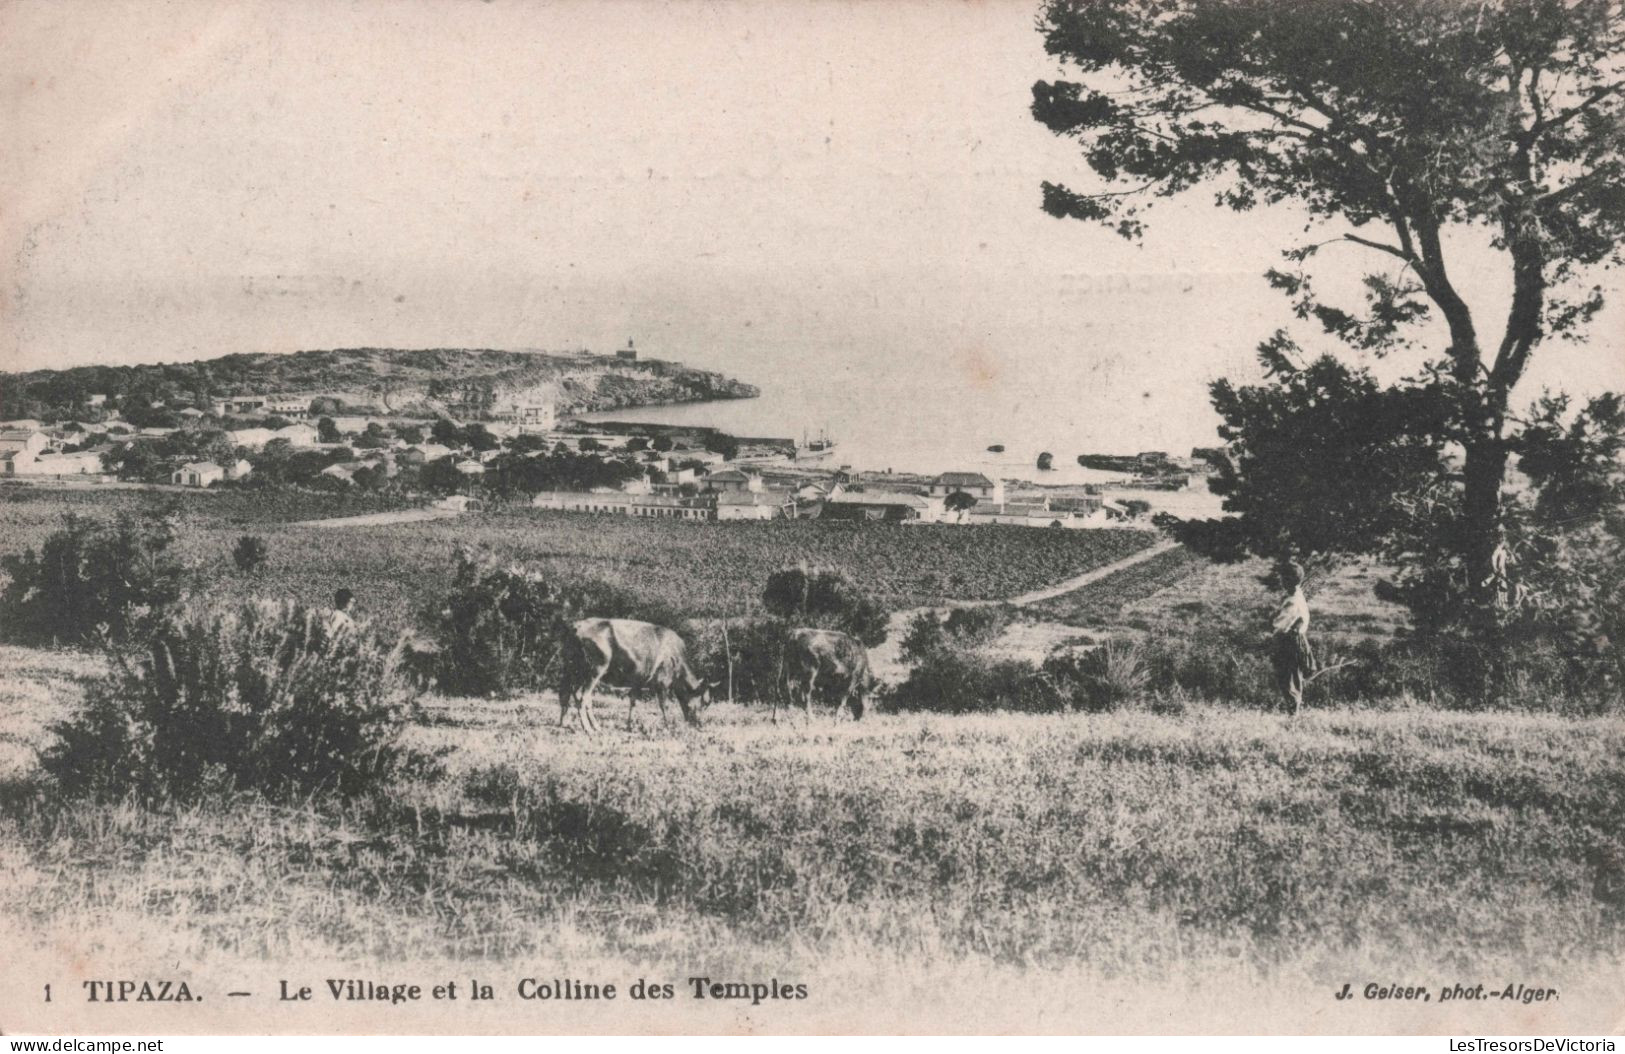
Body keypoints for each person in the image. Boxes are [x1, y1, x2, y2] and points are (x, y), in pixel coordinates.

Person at [1268, 561, 1315, 715]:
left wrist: (1271, 622)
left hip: (1289, 642)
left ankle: (1293, 715)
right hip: (1292, 640)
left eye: (1283, 577)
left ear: (1289, 580)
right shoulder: (1296, 595)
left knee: (1288, 679)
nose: (1281, 581)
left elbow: (1279, 623)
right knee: (1291, 678)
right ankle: (1293, 714)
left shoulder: (1292, 600)